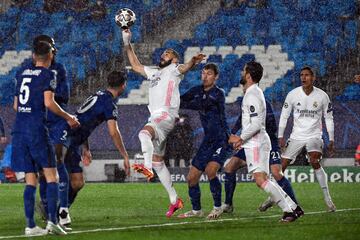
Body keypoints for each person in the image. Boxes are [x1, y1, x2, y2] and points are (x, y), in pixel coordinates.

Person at [121, 28, 205, 217]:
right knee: (160, 162)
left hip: (165, 116)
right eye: (162, 53)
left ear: (174, 59)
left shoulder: (174, 70)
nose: (162, 55)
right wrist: (127, 43)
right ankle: (175, 200)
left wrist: (192, 61)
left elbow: (185, 67)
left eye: (167, 54)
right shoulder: (154, 73)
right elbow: (135, 65)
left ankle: (147, 168)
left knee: (144, 134)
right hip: (157, 118)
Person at [11, 41, 80, 236]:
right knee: (52, 176)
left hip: (19, 130)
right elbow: (49, 103)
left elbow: (16, 106)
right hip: (36, 130)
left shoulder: (21, 72)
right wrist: (68, 117)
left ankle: (30, 226)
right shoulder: (49, 74)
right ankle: (52, 222)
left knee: (30, 180)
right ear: (50, 55)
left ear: (34, 56)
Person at [228, 61, 298, 222]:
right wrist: (242, 140)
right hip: (256, 142)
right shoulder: (255, 92)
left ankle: (289, 210)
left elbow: (257, 124)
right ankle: (291, 208)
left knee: (261, 181)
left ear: (248, 75)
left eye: (244, 70)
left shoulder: (251, 95)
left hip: (256, 143)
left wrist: (240, 138)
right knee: (264, 180)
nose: (241, 73)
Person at [54, 71, 130, 216]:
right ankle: (53, 208)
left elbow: (82, 120)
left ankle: (58, 211)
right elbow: (114, 132)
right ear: (123, 86)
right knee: (57, 175)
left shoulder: (98, 95)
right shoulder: (109, 104)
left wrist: (85, 147)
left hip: (74, 139)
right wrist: (125, 156)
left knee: (77, 182)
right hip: (66, 138)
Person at [221, 97, 304, 217]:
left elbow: (270, 126)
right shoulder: (246, 102)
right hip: (251, 143)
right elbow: (241, 119)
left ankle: (294, 206)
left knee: (276, 173)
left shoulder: (263, 103)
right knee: (229, 167)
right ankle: (228, 204)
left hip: (267, 142)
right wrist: (234, 133)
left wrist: (244, 136)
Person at [176, 63, 232, 220]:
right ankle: (196, 210)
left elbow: (208, 108)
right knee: (191, 178)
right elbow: (180, 100)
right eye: (203, 73)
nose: (205, 76)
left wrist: (229, 137)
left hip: (221, 139)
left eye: (209, 74)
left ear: (216, 77)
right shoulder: (197, 90)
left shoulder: (218, 94)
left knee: (210, 171)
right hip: (207, 141)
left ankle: (217, 207)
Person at [278, 66, 336, 212]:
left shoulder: (322, 96)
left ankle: (328, 199)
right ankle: (274, 197)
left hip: (314, 135)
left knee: (314, 160)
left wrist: (331, 139)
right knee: (280, 167)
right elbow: (284, 116)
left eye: (307, 75)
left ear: (313, 77)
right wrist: (280, 136)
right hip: (296, 136)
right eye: (301, 75)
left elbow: (328, 118)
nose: (303, 78)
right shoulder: (292, 94)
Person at [31, 35, 72, 228]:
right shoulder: (27, 69)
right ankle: (47, 207)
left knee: (57, 158)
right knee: (42, 168)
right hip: (39, 120)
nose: (53, 52)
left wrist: (48, 91)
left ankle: (63, 210)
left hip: (57, 120)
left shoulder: (59, 69)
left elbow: (65, 95)